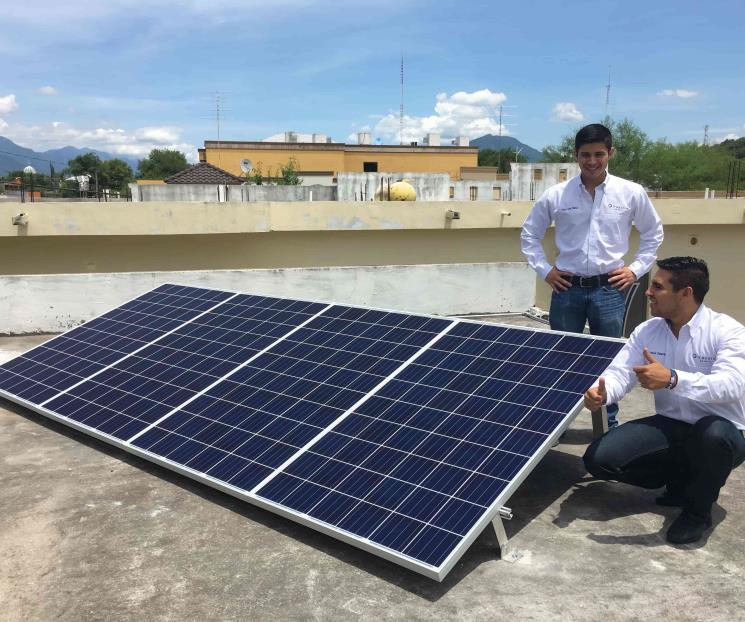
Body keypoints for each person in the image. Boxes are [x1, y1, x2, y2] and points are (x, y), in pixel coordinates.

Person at [583, 257, 745, 544]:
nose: (648, 291)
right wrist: (602, 392)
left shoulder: (727, 332)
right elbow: (621, 372)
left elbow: (731, 385)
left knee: (712, 436)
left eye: (657, 287)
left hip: (722, 431)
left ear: (686, 293)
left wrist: (673, 378)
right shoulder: (648, 331)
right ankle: (682, 479)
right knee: (599, 460)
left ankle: (697, 513)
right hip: (672, 425)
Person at [521, 123, 664, 427]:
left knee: (609, 360)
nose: (592, 160)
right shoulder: (556, 195)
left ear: (610, 153)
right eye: (585, 154)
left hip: (609, 290)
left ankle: (607, 423)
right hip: (566, 288)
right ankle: (556, 425)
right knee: (562, 360)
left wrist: (635, 270)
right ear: (576, 155)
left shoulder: (630, 193)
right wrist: (546, 271)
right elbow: (529, 235)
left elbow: (653, 234)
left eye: (599, 153)